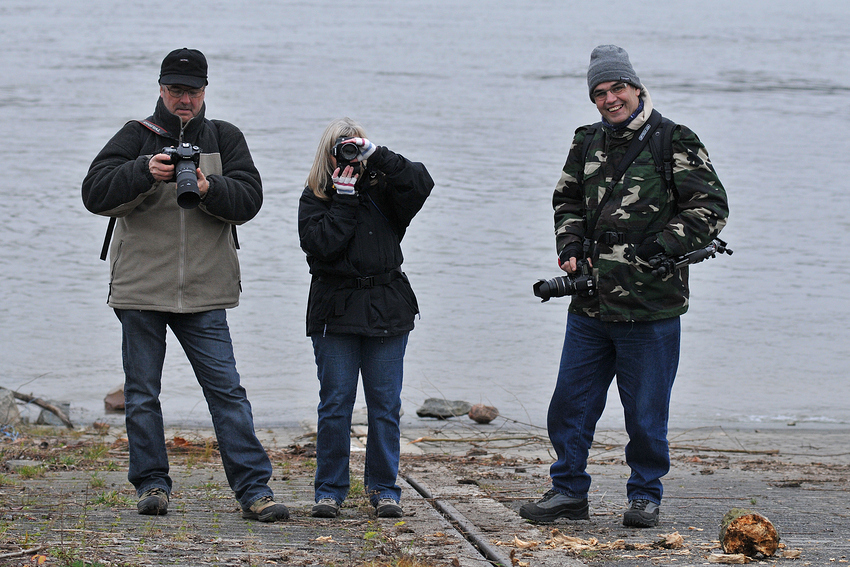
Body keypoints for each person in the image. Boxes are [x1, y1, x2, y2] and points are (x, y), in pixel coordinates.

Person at [520, 45, 729, 528]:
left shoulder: (674, 138)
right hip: (589, 303)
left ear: (636, 88)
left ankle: (644, 496)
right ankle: (568, 491)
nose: (610, 99)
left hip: (651, 306)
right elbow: (567, 198)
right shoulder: (587, 140)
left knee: (646, 413)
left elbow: (711, 208)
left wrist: (660, 248)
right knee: (568, 406)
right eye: (599, 92)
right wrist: (570, 243)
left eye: (617, 88)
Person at [81, 48, 288, 522]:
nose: (184, 100)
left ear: (204, 92)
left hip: (205, 290)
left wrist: (210, 186)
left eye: (192, 92)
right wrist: (142, 172)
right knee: (142, 393)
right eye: (176, 90)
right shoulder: (136, 137)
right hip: (140, 288)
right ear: (160, 88)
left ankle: (255, 490)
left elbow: (251, 200)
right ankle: (151, 485)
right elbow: (93, 192)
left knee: (227, 391)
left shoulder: (225, 137)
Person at [298, 118, 433, 519]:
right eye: (341, 148)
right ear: (328, 154)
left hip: (387, 306)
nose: (349, 156)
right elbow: (322, 247)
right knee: (336, 403)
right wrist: (343, 199)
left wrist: (379, 155)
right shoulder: (316, 197)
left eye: (354, 147)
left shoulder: (386, 192)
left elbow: (422, 184)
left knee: (385, 405)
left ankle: (385, 489)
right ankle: (329, 491)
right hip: (334, 311)